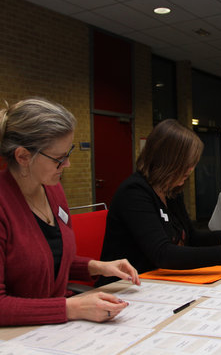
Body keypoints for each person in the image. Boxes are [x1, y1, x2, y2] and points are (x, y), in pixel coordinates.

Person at [0, 98, 140, 327]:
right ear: (23, 157)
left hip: (55, 329)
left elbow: (44, 260)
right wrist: (69, 308)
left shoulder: (53, 190)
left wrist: (96, 266)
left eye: (69, 153)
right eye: (59, 158)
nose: (67, 165)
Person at [97, 119, 221, 286]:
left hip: (161, 281)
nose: (190, 169)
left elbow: (190, 237)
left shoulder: (170, 190)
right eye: (186, 164)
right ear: (167, 161)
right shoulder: (134, 192)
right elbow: (162, 254)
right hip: (124, 287)